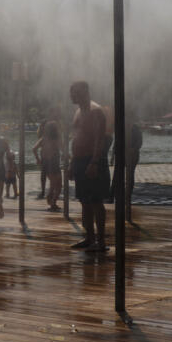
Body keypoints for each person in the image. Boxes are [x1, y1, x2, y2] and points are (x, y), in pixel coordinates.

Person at [68, 81, 109, 252]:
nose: (72, 96)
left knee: (96, 201)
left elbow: (100, 140)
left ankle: (101, 241)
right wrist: (72, 162)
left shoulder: (96, 111)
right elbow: (76, 137)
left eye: (75, 92)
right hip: (79, 160)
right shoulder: (78, 111)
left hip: (92, 161)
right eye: (71, 92)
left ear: (85, 92)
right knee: (84, 201)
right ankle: (89, 237)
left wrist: (94, 162)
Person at [33, 118, 63, 211]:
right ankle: (51, 202)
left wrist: (38, 159)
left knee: (55, 185)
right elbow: (63, 150)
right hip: (52, 163)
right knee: (56, 185)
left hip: (48, 163)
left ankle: (52, 202)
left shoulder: (44, 138)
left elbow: (34, 149)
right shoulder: (55, 139)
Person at [124, 121, 143, 222]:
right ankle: (124, 191)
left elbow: (139, 141)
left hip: (133, 155)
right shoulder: (123, 126)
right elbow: (118, 141)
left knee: (130, 173)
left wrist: (134, 149)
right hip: (123, 154)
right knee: (124, 174)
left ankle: (128, 191)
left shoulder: (135, 128)